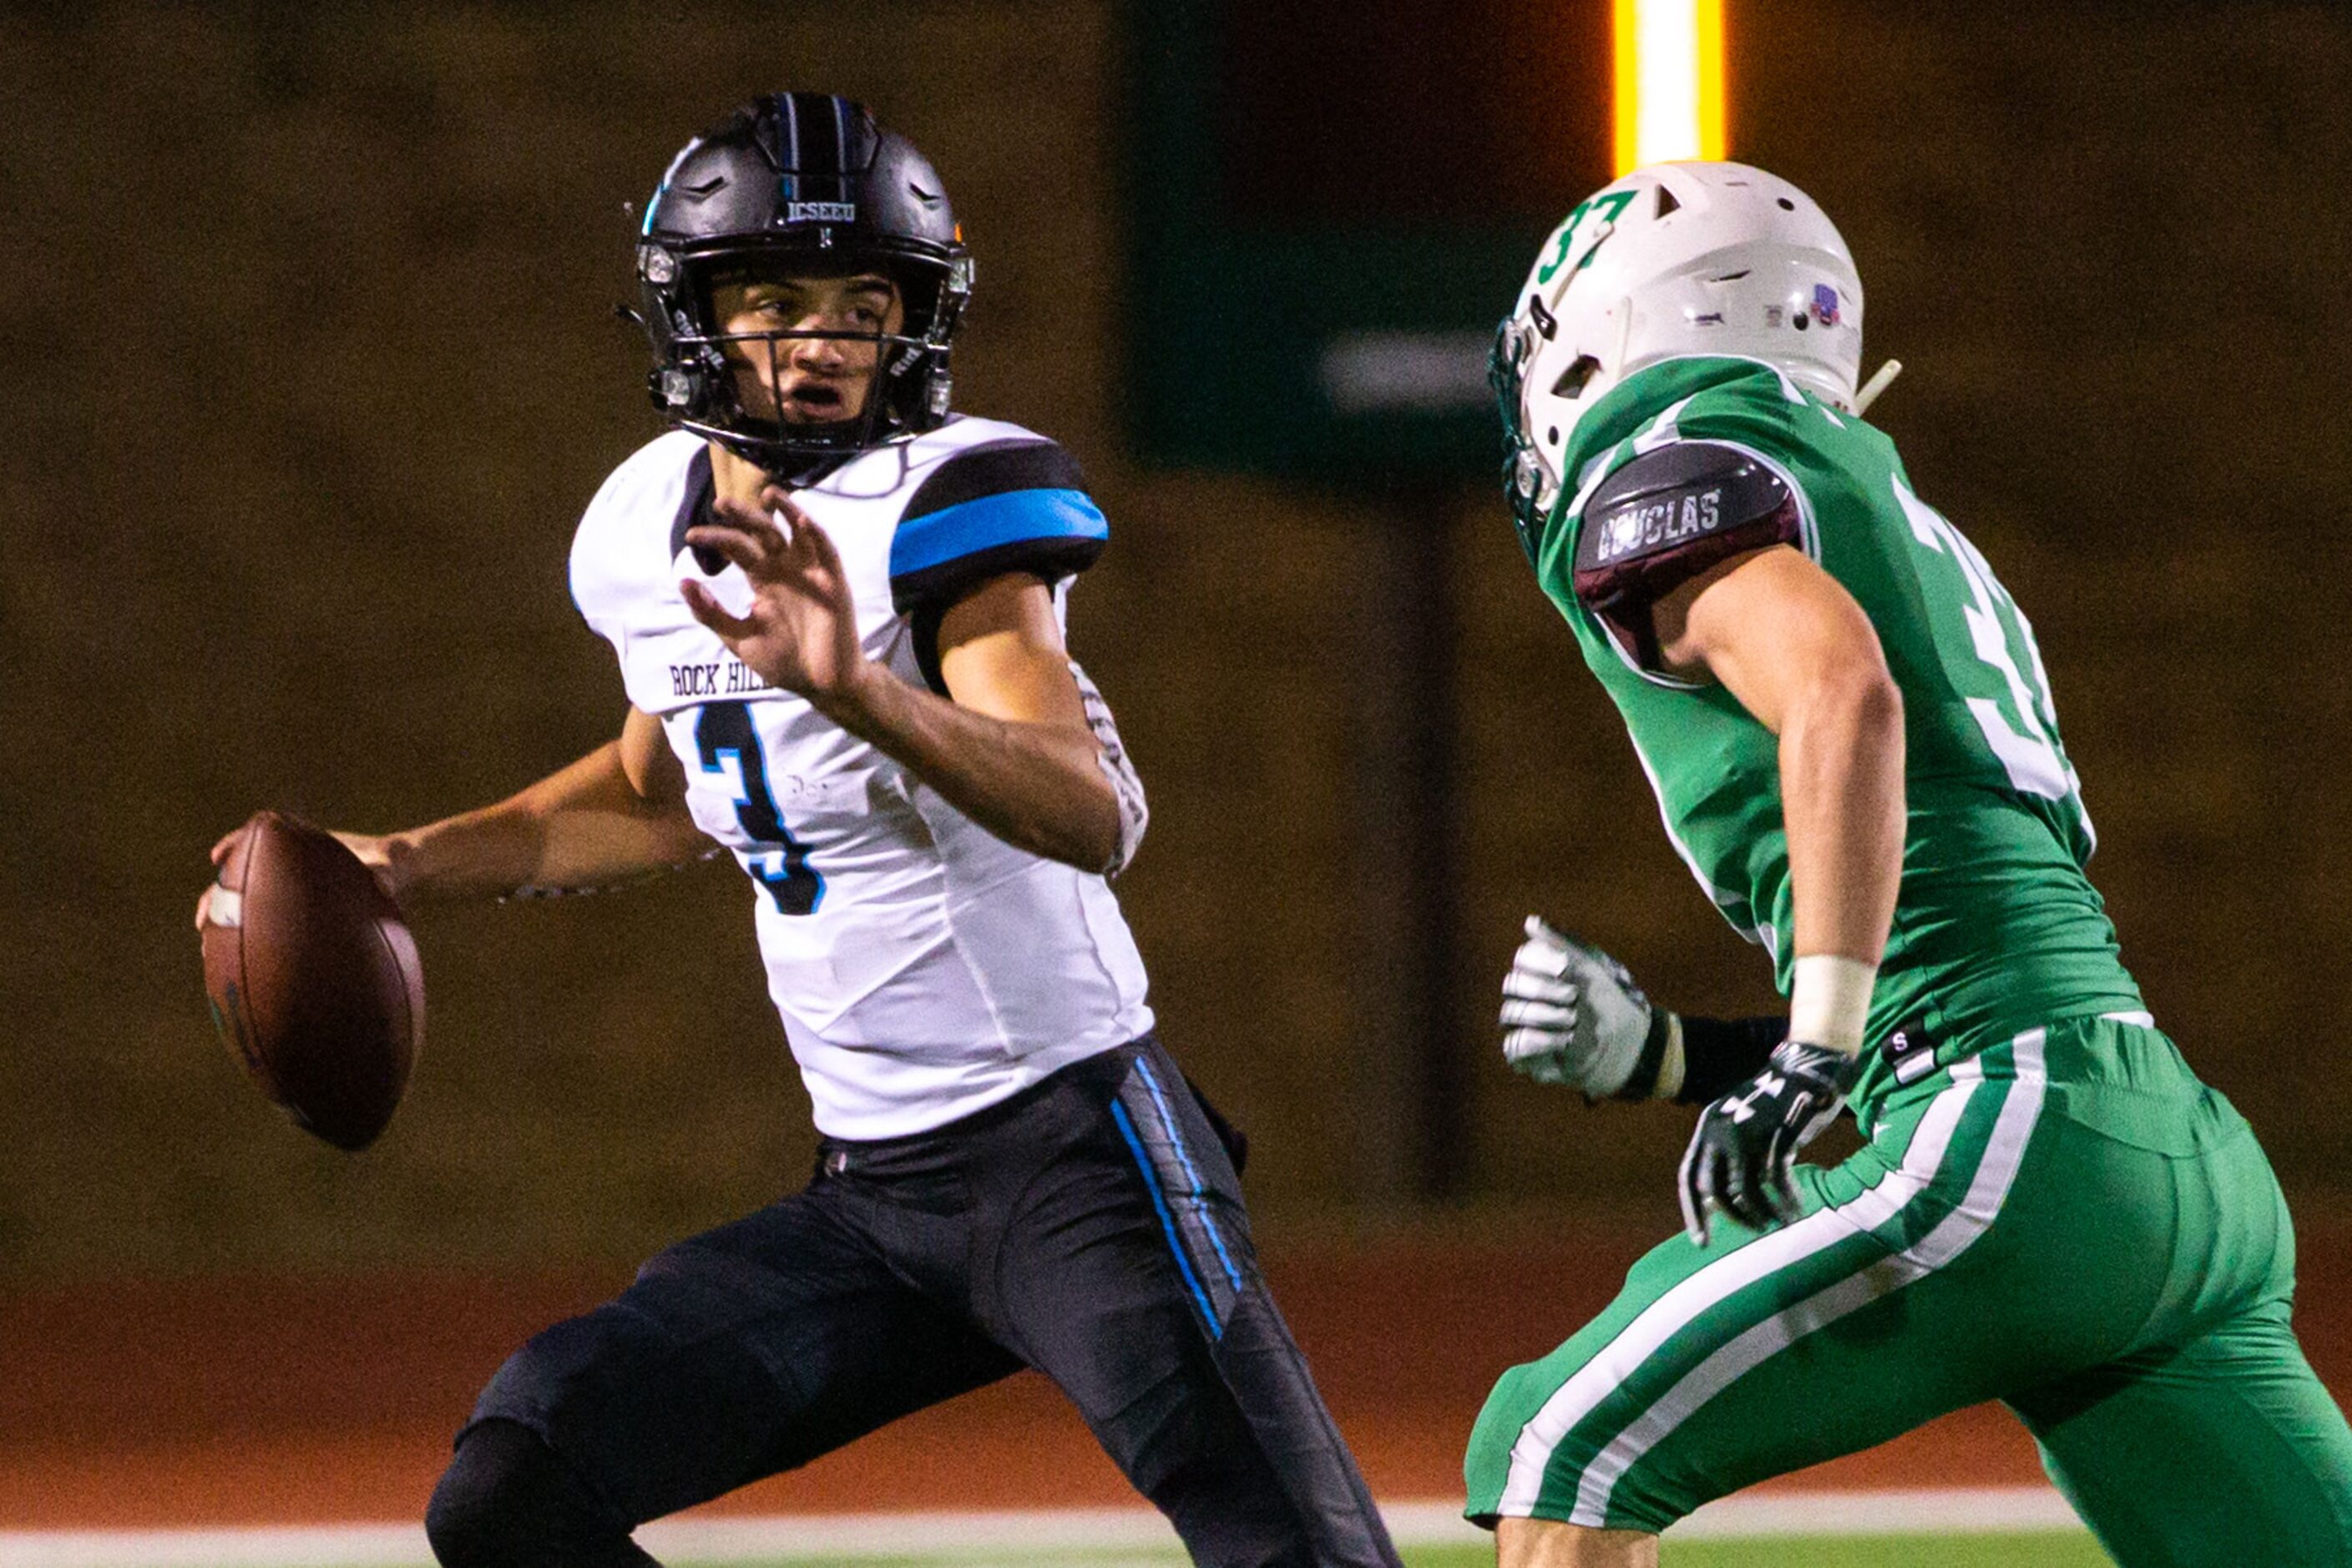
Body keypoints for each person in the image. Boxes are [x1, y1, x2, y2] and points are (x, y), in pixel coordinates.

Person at [201, 94, 1398, 1568]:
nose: (825, 338)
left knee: (1307, 1557)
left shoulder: (955, 495)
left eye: (864, 301)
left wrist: (855, 688)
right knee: (516, 1486)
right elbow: (657, 792)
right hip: (872, 1198)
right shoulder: (642, 520)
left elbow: (1083, 809)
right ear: (695, 309)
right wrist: (399, 864)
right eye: (775, 297)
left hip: (1077, 1155)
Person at [1465, 159, 2352, 1566]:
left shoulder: (1674, 466)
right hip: (2166, 1148)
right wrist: (1678, 1054)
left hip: (2011, 1129)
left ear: (1598, 334)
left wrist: (1811, 1050)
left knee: (1563, 1443)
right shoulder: (1891, 511)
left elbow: (1846, 697)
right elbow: (1966, 921)